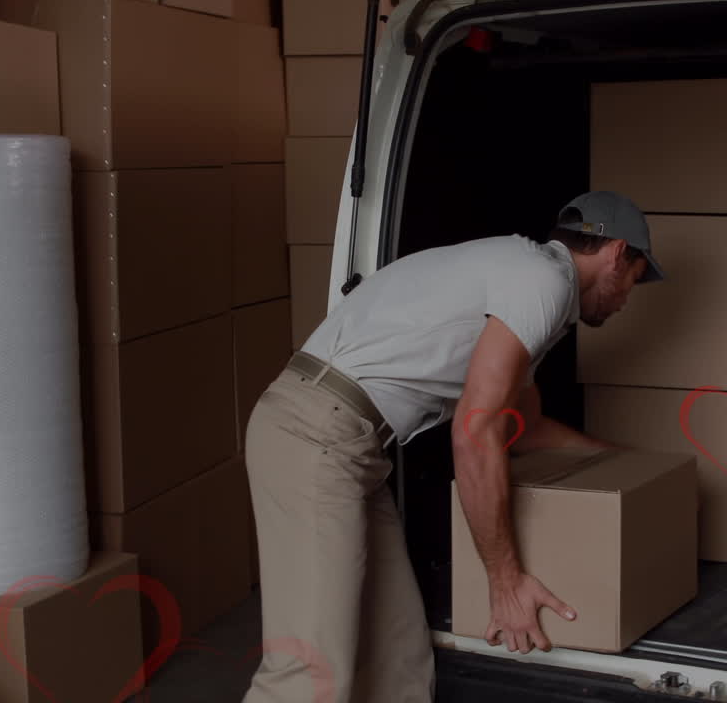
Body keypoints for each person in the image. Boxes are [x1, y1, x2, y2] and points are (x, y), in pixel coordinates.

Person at [242, 190, 665, 703]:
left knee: (396, 657)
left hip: (351, 447)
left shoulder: (525, 288)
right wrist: (505, 584)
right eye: (633, 283)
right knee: (311, 671)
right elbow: (475, 431)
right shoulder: (541, 281)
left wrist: (634, 469)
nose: (623, 301)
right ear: (617, 253)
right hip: (313, 434)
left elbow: (521, 428)